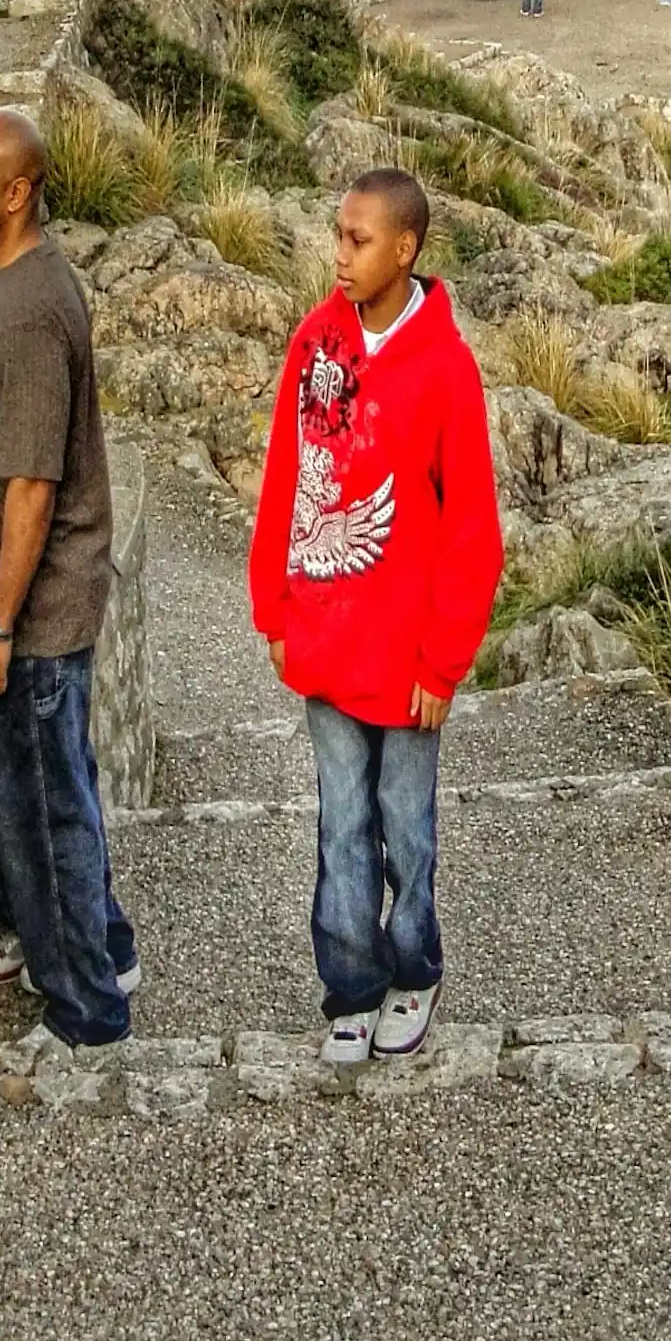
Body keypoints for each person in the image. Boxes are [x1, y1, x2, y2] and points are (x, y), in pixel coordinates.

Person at [249, 167, 504, 1070]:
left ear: (406, 249)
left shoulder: (445, 367)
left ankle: (415, 971)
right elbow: (285, 475)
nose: (341, 254)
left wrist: (444, 665)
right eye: (337, 235)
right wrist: (270, 605)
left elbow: (474, 528)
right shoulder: (316, 342)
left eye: (359, 240)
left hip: (406, 661)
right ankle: (350, 986)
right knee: (340, 822)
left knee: (407, 822)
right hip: (323, 636)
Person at [0, 107, 139, 1053]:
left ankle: (87, 1017)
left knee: (47, 822)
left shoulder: (23, 312)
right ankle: (109, 949)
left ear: (17, 193)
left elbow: (30, 485)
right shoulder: (36, 283)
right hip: (55, 608)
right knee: (56, 793)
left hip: (37, 620)